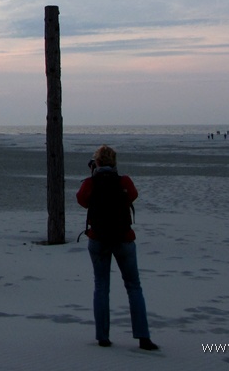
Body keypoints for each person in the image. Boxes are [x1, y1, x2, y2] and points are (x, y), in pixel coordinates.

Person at [76, 144, 159, 351]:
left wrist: (94, 177)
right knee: (133, 287)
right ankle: (143, 336)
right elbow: (133, 196)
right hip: (124, 238)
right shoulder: (124, 182)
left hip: (98, 239)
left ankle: (103, 336)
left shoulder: (90, 183)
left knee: (101, 286)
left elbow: (82, 200)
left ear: (96, 162)